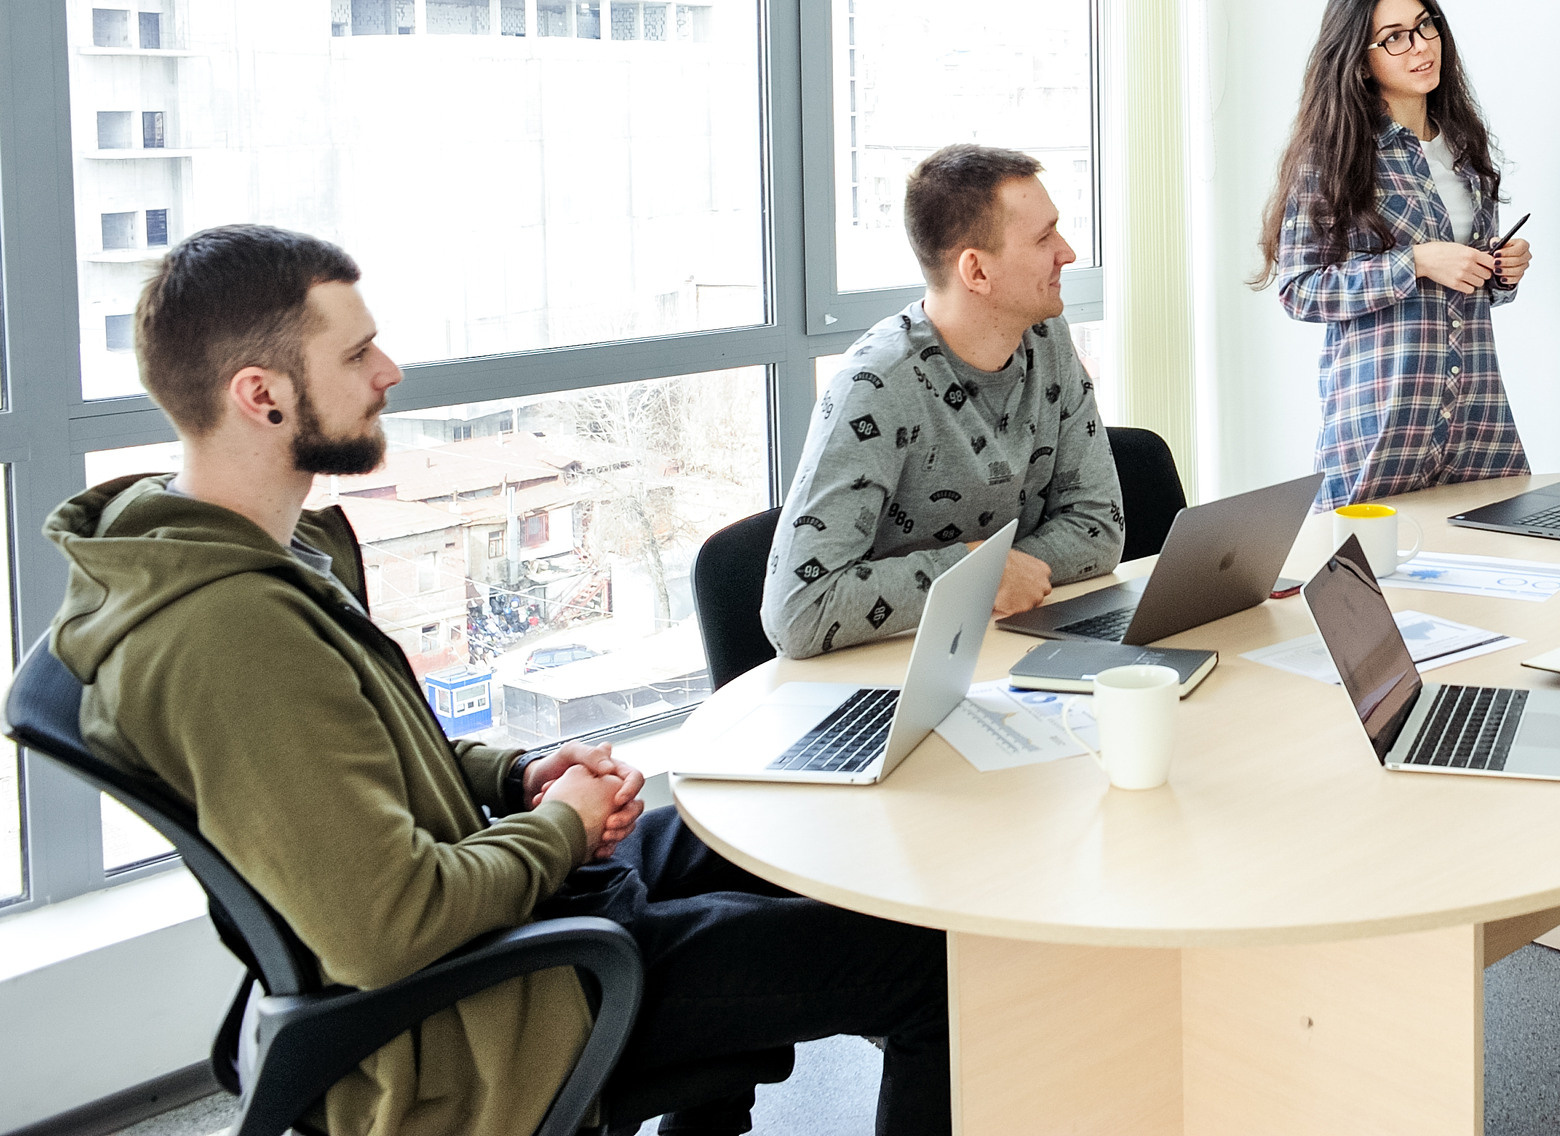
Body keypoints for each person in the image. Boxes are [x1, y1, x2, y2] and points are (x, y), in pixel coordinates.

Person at [44, 226, 950, 1136]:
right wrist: (565, 825)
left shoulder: (243, 555)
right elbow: (389, 928)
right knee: (929, 968)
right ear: (261, 395)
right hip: (481, 1014)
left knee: (772, 838)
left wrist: (518, 779)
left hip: (505, 912)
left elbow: (375, 756)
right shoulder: (228, 637)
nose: (388, 371)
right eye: (357, 353)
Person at [766, 144, 1121, 658]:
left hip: (997, 651)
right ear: (976, 272)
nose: (1066, 252)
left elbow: (1098, 528)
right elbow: (797, 612)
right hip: (890, 678)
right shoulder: (876, 387)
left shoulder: (1047, 338)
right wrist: (977, 573)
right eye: (1044, 237)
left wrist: (999, 576)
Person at [1252, 0, 1535, 508]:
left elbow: (1472, 276)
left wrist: (1501, 270)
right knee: (1365, 583)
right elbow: (1299, 289)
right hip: (1381, 424)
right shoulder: (1333, 157)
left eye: (1427, 27)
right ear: (1360, 59)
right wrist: (1417, 263)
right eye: (1395, 38)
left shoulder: (1464, 147)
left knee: (1495, 575)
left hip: (1475, 418)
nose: (1421, 47)